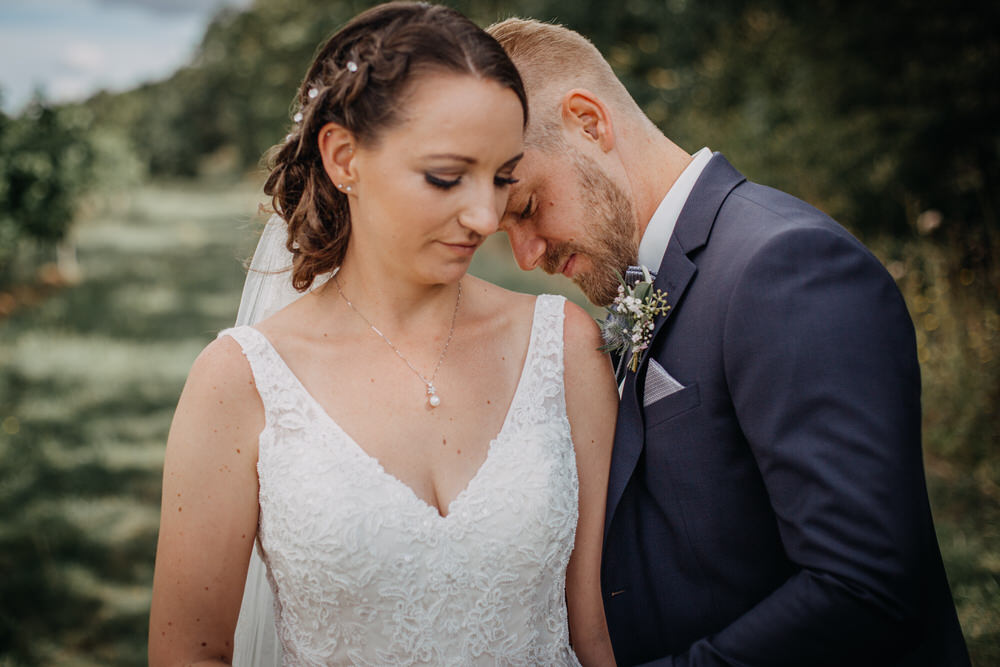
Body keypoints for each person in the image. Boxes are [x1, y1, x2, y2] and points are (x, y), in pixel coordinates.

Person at [487, 18, 970, 667]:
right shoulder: (654, 279)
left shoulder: (786, 267)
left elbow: (864, 587)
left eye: (527, 207)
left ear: (588, 122)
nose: (525, 255)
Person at [148, 4, 618, 666]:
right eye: (447, 176)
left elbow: (588, 625)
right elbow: (189, 652)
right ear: (345, 158)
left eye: (502, 176)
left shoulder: (565, 346)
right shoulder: (242, 381)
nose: (486, 214)